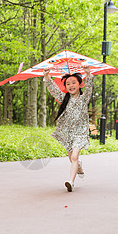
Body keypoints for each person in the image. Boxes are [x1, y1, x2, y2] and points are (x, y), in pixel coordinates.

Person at [43, 63, 93, 192]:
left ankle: (71, 181)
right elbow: (53, 89)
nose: (71, 85)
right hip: (66, 132)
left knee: (75, 156)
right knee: (72, 158)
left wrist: (88, 74)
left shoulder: (84, 99)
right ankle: (79, 167)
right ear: (65, 87)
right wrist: (47, 76)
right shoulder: (64, 98)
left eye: (74, 82)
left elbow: (89, 88)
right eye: (68, 84)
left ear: (80, 84)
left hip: (80, 132)